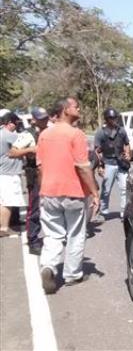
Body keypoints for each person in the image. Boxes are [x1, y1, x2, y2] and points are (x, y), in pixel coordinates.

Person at [37, 97, 98, 293]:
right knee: (76, 234)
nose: (78, 109)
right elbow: (82, 167)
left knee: (53, 235)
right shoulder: (76, 134)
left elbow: (40, 167)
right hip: (73, 192)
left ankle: (48, 266)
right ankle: (72, 275)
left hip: (49, 192)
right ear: (65, 110)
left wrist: (42, 189)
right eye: (75, 106)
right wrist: (94, 193)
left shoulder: (44, 134)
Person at [7, 107, 49, 253]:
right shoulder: (27, 134)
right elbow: (12, 152)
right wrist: (30, 150)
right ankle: (33, 239)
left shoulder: (51, 131)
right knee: (35, 207)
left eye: (45, 117)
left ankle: (54, 237)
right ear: (34, 119)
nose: (44, 120)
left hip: (52, 173)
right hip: (35, 173)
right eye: (41, 118)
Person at [94, 108, 131, 221]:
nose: (113, 120)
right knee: (106, 190)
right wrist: (100, 165)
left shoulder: (122, 131)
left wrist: (128, 154)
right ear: (106, 119)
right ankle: (103, 212)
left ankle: (124, 212)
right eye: (111, 118)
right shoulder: (101, 132)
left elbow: (127, 144)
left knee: (124, 189)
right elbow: (96, 150)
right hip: (108, 163)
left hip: (121, 163)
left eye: (115, 117)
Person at [0, 112, 26, 238]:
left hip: (2, 171)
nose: (17, 126)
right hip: (8, 173)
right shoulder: (9, 135)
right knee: (7, 202)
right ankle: (4, 228)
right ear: (10, 123)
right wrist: (31, 150)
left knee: (3, 201)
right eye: (16, 123)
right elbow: (23, 146)